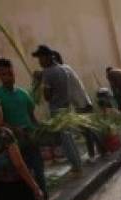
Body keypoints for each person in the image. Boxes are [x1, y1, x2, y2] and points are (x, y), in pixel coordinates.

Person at [0, 59, 54, 200]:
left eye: (10, 73)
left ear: (14, 72)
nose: (7, 77)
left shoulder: (23, 93)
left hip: (30, 138)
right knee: (24, 174)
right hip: (14, 144)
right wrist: (14, 129)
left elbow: (31, 115)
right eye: (3, 74)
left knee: (39, 170)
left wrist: (39, 129)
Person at [32, 44, 82, 173]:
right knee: (69, 138)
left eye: (40, 58)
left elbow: (47, 97)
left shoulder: (48, 73)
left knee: (65, 140)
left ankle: (76, 167)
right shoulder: (62, 69)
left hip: (57, 109)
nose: (39, 62)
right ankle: (78, 163)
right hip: (66, 107)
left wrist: (41, 84)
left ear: (48, 57)